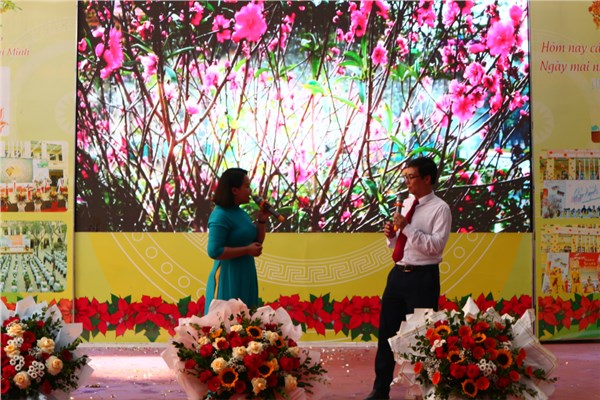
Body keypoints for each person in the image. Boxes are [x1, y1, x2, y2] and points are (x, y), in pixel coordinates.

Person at [364, 157, 452, 400]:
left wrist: (406, 228)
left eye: (411, 177)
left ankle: (427, 390)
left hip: (423, 278)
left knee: (425, 338)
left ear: (427, 179)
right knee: (386, 335)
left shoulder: (440, 209)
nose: (407, 182)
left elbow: (435, 247)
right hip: (398, 275)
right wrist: (391, 236)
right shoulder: (406, 203)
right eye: (405, 177)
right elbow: (402, 244)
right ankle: (380, 389)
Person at [204, 168, 271, 314]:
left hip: (246, 273)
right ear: (234, 190)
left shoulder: (240, 213)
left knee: (246, 321)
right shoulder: (220, 215)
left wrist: (261, 220)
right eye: (246, 186)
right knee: (227, 322)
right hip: (228, 276)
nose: (250, 191)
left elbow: (257, 241)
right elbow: (214, 251)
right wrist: (246, 250)